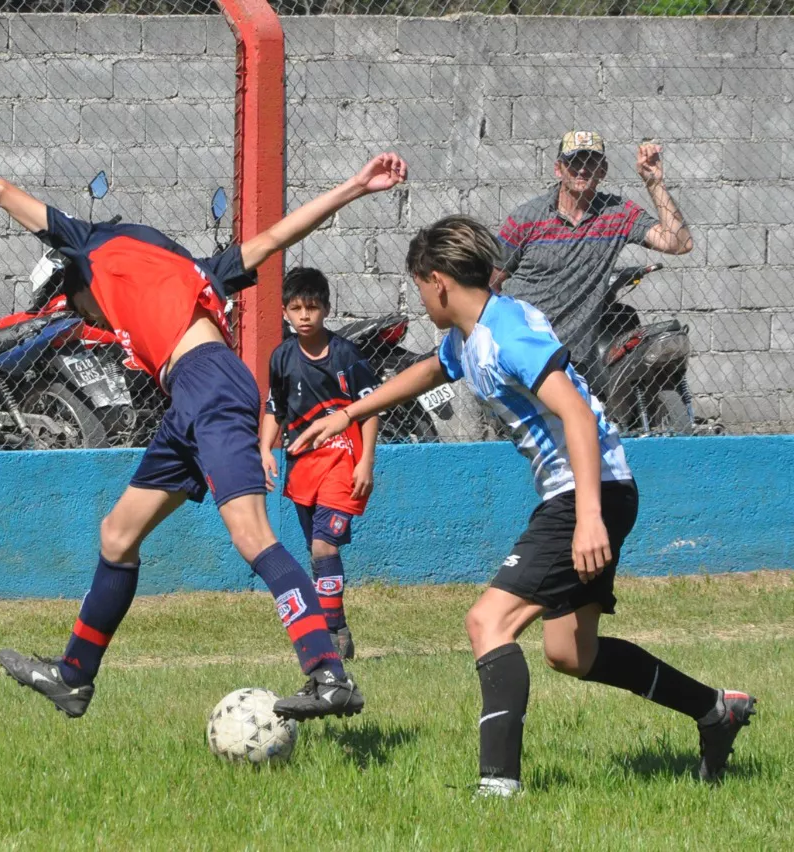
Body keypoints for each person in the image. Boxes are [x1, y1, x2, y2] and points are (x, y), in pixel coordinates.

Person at [0, 153, 407, 721]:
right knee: (118, 534)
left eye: (82, 310)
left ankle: (329, 673)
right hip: (191, 396)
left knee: (252, 534)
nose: (95, 321)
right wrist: (352, 186)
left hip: (211, 386)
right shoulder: (195, 269)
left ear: (75, 283)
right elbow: (276, 236)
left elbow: (1, 190)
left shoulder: (88, 248)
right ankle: (74, 675)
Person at [293, 216, 754, 795]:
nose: (419, 298)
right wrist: (349, 413)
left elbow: (579, 415)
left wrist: (588, 516)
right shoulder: (469, 335)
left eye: (417, 286)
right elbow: (431, 369)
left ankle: (498, 790)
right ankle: (714, 710)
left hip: (589, 491)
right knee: (571, 652)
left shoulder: (507, 331)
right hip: (593, 492)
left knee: (488, 621)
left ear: (437, 282)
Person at [494, 131, 693, 384]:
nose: (582, 170)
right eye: (574, 162)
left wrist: (654, 183)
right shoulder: (527, 217)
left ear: (603, 170)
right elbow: (492, 280)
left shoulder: (618, 214)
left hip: (573, 357)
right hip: (522, 346)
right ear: (559, 169)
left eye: (591, 162)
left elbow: (679, 242)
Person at [259, 267, 381, 660]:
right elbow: (274, 408)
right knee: (318, 552)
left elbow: (371, 408)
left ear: (326, 308)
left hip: (344, 458)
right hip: (302, 464)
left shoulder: (345, 354)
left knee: (323, 544)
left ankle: (332, 633)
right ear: (285, 312)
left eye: (312, 307)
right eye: (296, 308)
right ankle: (339, 626)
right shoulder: (281, 357)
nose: (304, 315)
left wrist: (366, 463)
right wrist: (264, 450)